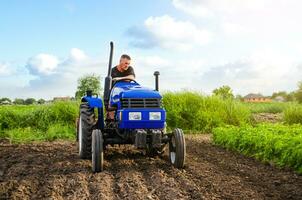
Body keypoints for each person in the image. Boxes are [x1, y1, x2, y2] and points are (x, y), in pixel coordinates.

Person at [107, 54, 135, 121]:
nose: (127, 65)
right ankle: (112, 120)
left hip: (127, 92)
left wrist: (119, 78)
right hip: (115, 93)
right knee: (111, 108)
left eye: (128, 63)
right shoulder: (113, 71)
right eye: (125, 63)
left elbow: (131, 78)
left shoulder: (129, 68)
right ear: (120, 61)